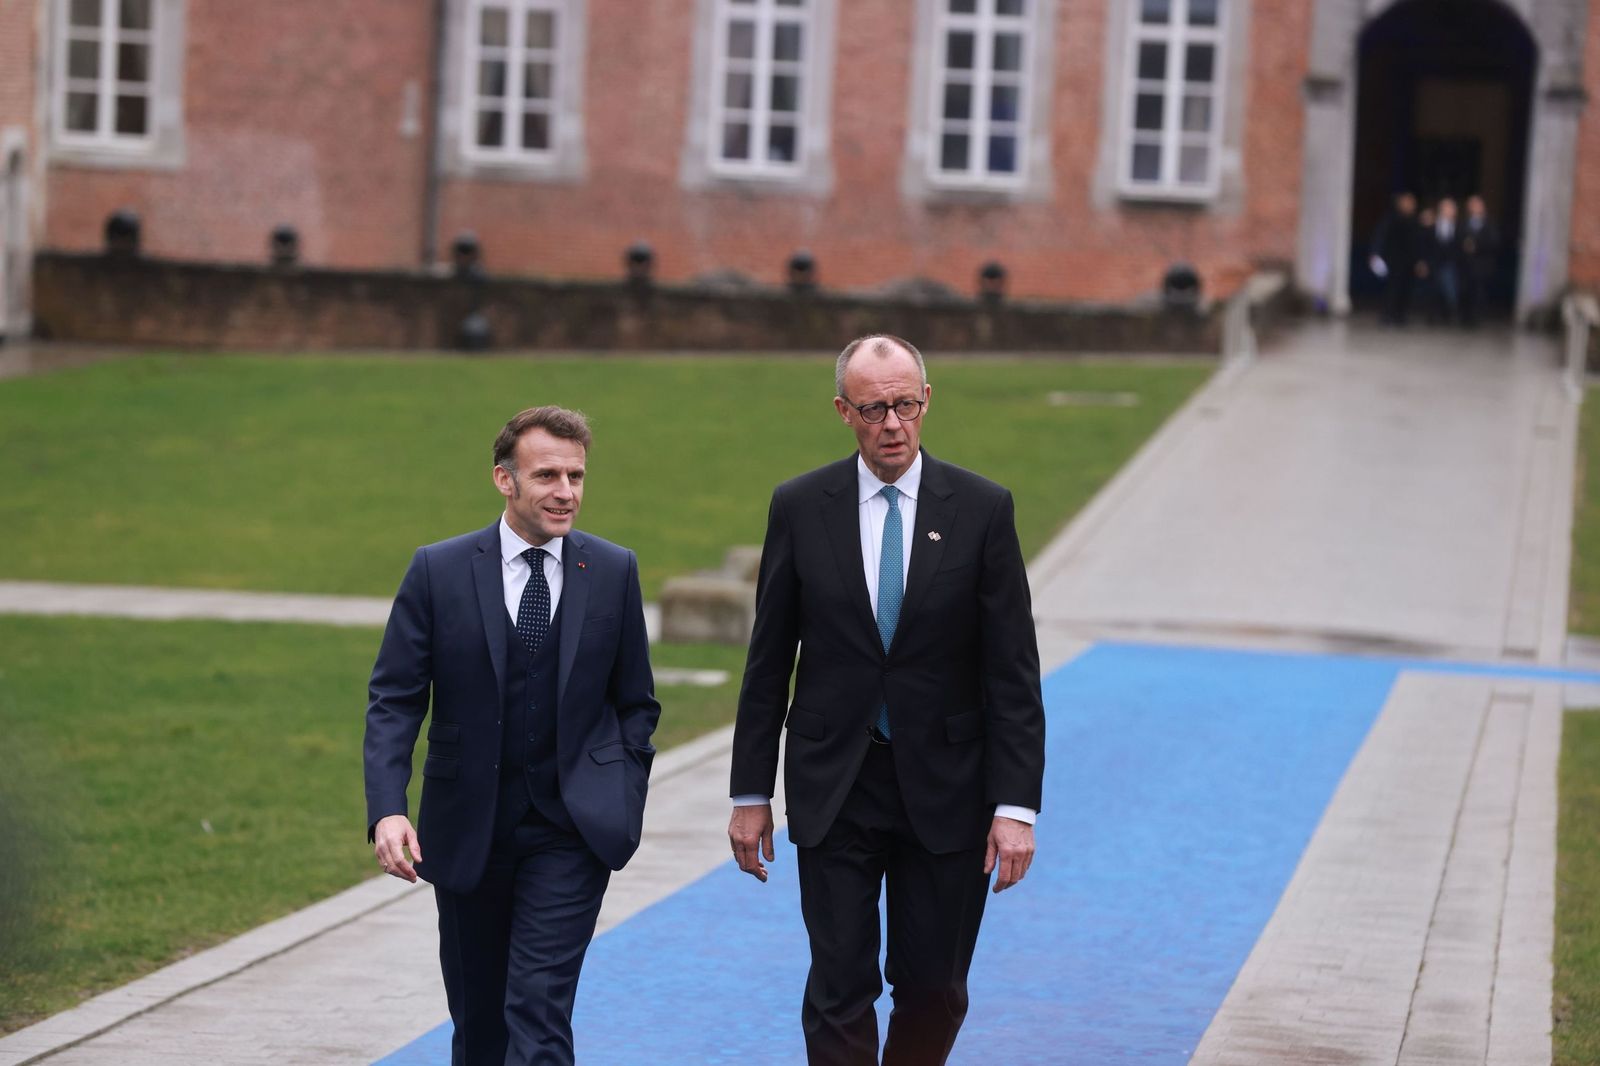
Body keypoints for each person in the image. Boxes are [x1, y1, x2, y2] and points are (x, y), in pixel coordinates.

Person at [728, 335, 1047, 1065]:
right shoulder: (801, 506)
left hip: (949, 788)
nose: (893, 424)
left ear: (927, 401)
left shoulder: (982, 509)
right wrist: (751, 792)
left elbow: (1013, 676)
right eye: (874, 409)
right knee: (839, 985)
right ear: (844, 411)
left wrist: (1016, 807)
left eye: (905, 404)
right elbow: (768, 659)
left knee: (934, 987)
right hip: (835, 782)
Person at [364, 406, 660, 1066]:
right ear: (504, 479)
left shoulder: (613, 570)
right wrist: (388, 806)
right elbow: (395, 699)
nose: (566, 492)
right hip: (468, 830)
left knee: (538, 1008)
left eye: (577, 476)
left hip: (571, 831)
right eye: (548, 474)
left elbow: (636, 702)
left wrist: (621, 788)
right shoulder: (437, 571)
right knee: (480, 1025)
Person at [1369, 191, 1421, 325]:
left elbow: (1418, 243)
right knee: (1392, 290)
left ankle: (1400, 315)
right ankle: (1387, 315)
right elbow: (1380, 237)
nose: (1410, 205)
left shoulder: (1415, 221)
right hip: (1394, 262)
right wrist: (1375, 254)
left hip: (1409, 263)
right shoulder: (1391, 219)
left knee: (1406, 290)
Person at [1460, 194, 1500, 327]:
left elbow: (1494, 242)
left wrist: (1476, 246)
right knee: (1466, 291)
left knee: (1479, 291)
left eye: (1477, 204)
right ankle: (1465, 317)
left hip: (1482, 265)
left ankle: (1476, 317)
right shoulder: (1464, 223)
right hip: (1466, 265)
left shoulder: (1489, 223)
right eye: (1472, 204)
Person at [1424, 197, 1463, 326]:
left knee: (1450, 291)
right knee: (1434, 290)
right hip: (1434, 263)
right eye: (1445, 208)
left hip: (1451, 263)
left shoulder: (1460, 227)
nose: (1448, 211)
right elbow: (1425, 244)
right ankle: (1432, 316)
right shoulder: (1431, 225)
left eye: (1450, 208)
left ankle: (1449, 315)